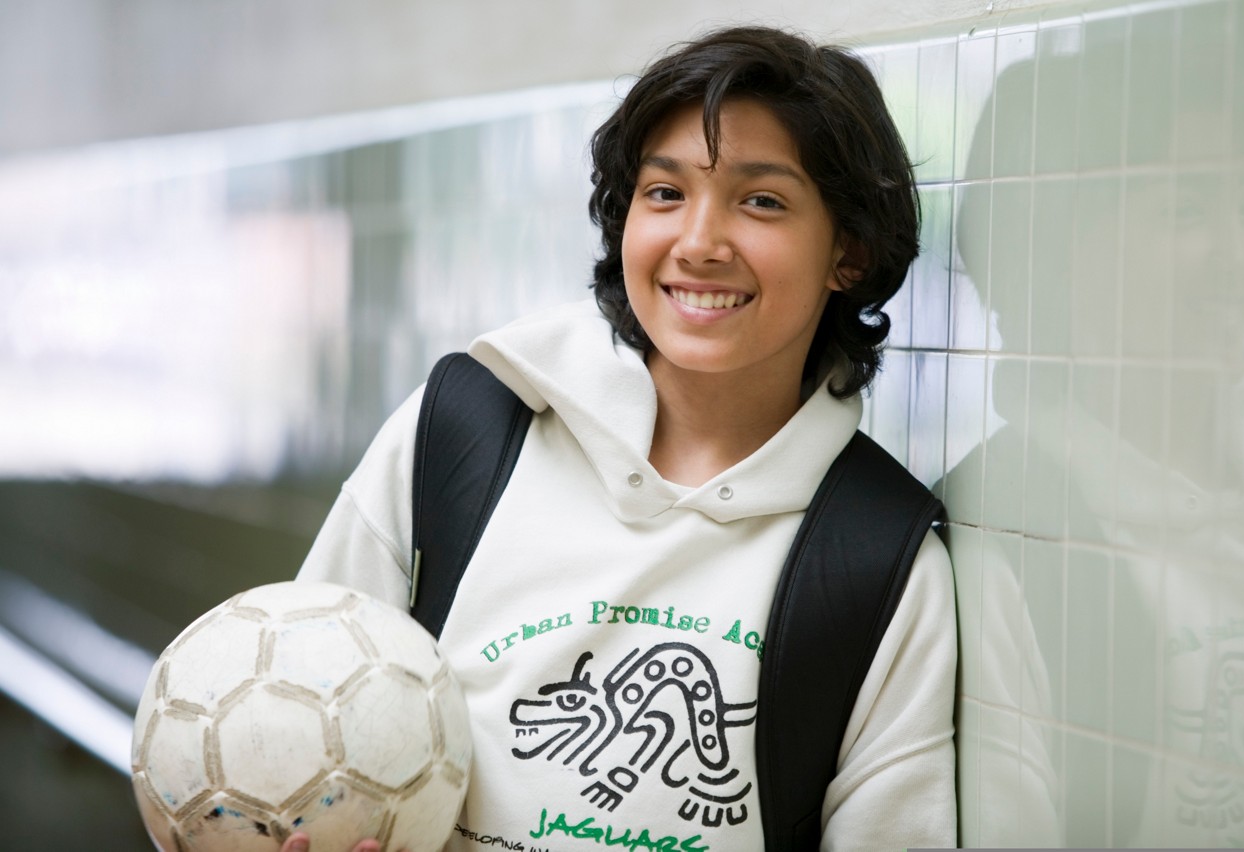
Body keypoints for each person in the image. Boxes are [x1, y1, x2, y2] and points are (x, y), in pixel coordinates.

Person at [284, 25, 957, 852]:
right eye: (665, 193)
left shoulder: (878, 557)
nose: (699, 244)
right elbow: (288, 715)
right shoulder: (466, 428)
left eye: (762, 201)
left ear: (846, 253)